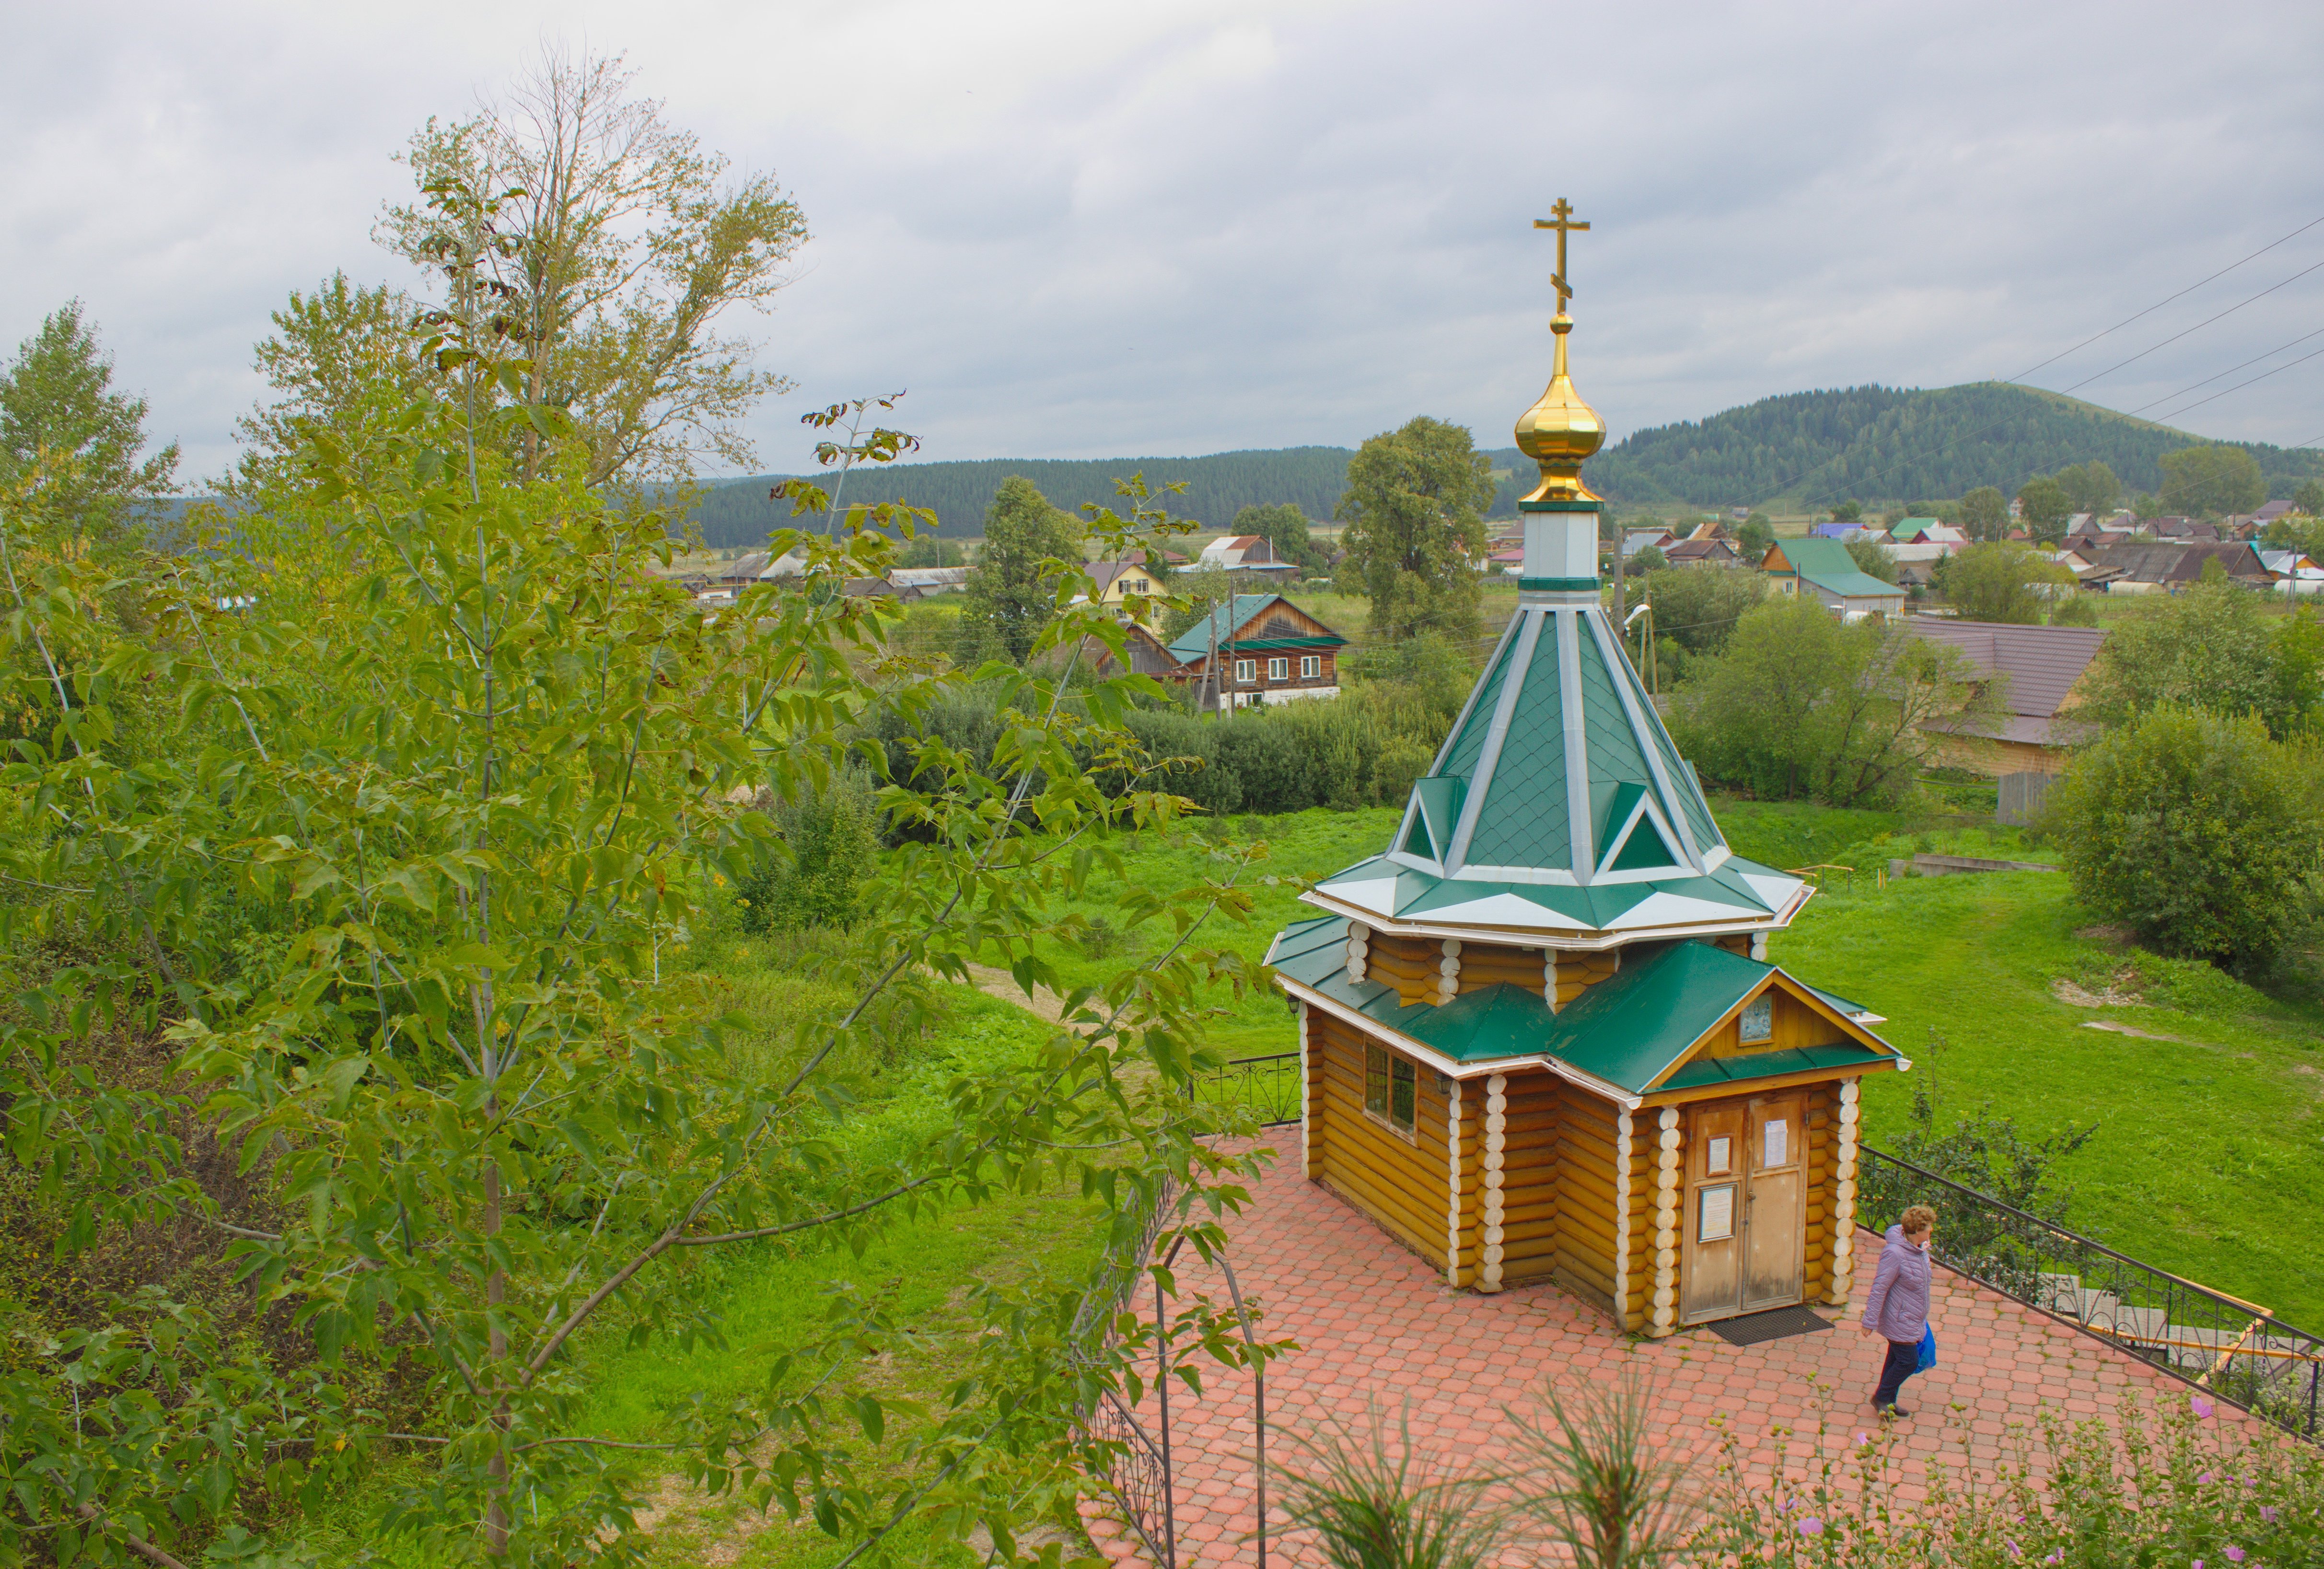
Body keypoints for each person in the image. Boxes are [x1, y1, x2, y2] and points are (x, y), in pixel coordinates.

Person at [1860, 1204, 1936, 1417]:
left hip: (1913, 1316)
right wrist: (1869, 1322)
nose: (1931, 1230)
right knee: (1908, 1361)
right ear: (1917, 1230)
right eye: (1928, 1227)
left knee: (1895, 1358)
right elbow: (1879, 1288)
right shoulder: (1894, 1254)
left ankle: (1889, 1401)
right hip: (1899, 1318)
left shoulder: (1919, 1250)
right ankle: (1882, 1397)